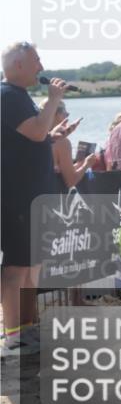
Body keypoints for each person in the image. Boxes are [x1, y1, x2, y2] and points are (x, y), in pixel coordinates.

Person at [1, 42, 67, 358]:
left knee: (28, 267)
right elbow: (37, 133)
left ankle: (24, 331)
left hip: (30, 196)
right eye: (36, 61)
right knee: (15, 269)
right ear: (17, 64)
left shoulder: (19, 97)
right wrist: (53, 100)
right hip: (17, 198)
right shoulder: (8, 96)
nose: (41, 67)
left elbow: (33, 137)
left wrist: (54, 134)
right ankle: (12, 338)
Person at [40, 99, 98, 189]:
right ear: (58, 115)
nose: (67, 118)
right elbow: (71, 181)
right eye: (66, 114)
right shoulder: (62, 142)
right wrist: (86, 165)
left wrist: (80, 164)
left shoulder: (35, 135)